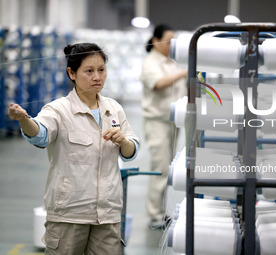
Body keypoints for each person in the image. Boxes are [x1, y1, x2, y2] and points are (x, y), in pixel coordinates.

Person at [8, 43, 139, 255]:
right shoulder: (58, 109)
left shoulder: (113, 109)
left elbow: (131, 149)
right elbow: (40, 135)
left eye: (101, 70)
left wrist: (124, 141)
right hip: (69, 214)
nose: (97, 77)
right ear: (72, 73)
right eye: (89, 71)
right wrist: (24, 120)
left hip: (107, 214)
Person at [140, 24, 187, 228]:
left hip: (173, 121)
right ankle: (154, 216)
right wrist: (184, 72)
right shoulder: (151, 62)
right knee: (160, 169)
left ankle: (161, 212)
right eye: (168, 40)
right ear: (156, 40)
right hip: (157, 122)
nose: (171, 45)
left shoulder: (171, 61)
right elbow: (158, 84)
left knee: (169, 169)